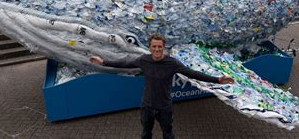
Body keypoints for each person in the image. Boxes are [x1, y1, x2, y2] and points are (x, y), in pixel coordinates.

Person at [89, 34, 234, 139]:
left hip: (164, 107)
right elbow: (124, 63)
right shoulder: (143, 60)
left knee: (168, 134)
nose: (157, 49)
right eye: (154, 46)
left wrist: (217, 80)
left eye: (160, 47)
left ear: (163, 48)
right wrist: (103, 62)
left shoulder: (172, 63)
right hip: (147, 106)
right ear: (150, 47)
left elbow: (193, 73)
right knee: (146, 133)